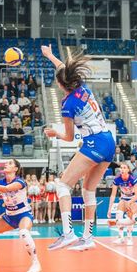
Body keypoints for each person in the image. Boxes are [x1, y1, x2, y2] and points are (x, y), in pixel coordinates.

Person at [41, 45, 115, 251]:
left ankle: (68, 233)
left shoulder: (68, 105)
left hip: (95, 142)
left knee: (63, 185)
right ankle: (88, 237)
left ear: (60, 84)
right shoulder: (82, 88)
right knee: (88, 190)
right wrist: (50, 56)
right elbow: (63, 69)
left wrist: (55, 133)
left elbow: (69, 137)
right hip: (108, 141)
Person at [107, 163, 137, 246]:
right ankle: (120, 237)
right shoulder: (117, 180)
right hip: (124, 198)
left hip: (133, 199)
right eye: (121, 168)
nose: (122, 169)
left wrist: (130, 202)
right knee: (119, 213)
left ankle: (129, 237)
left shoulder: (133, 179)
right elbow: (113, 195)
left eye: (124, 168)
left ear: (128, 170)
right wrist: (109, 209)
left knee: (131, 216)